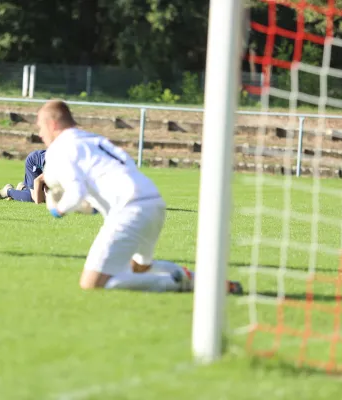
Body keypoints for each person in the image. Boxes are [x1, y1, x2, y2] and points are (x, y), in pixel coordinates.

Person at [38, 99, 243, 294]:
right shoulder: (93, 139)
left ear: (53, 124)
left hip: (128, 209)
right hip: (153, 202)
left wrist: (57, 210)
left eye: (41, 127)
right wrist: (84, 207)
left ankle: (179, 282)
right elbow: (98, 191)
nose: (40, 134)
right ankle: (210, 282)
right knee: (139, 269)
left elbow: (75, 193)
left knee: (91, 283)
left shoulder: (61, 148)